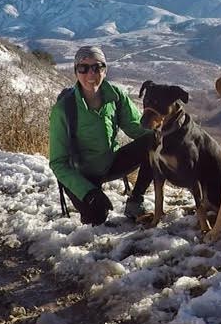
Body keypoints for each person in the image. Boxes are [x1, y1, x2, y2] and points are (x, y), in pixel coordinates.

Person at [49, 45, 154, 225]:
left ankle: (136, 201)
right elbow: (58, 163)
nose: (91, 74)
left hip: (111, 162)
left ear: (105, 70)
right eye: (83, 68)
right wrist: (88, 192)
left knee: (154, 141)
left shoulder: (116, 96)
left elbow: (137, 128)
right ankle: (92, 198)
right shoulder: (64, 109)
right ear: (76, 71)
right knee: (96, 217)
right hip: (82, 173)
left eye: (97, 67)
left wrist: (169, 134)